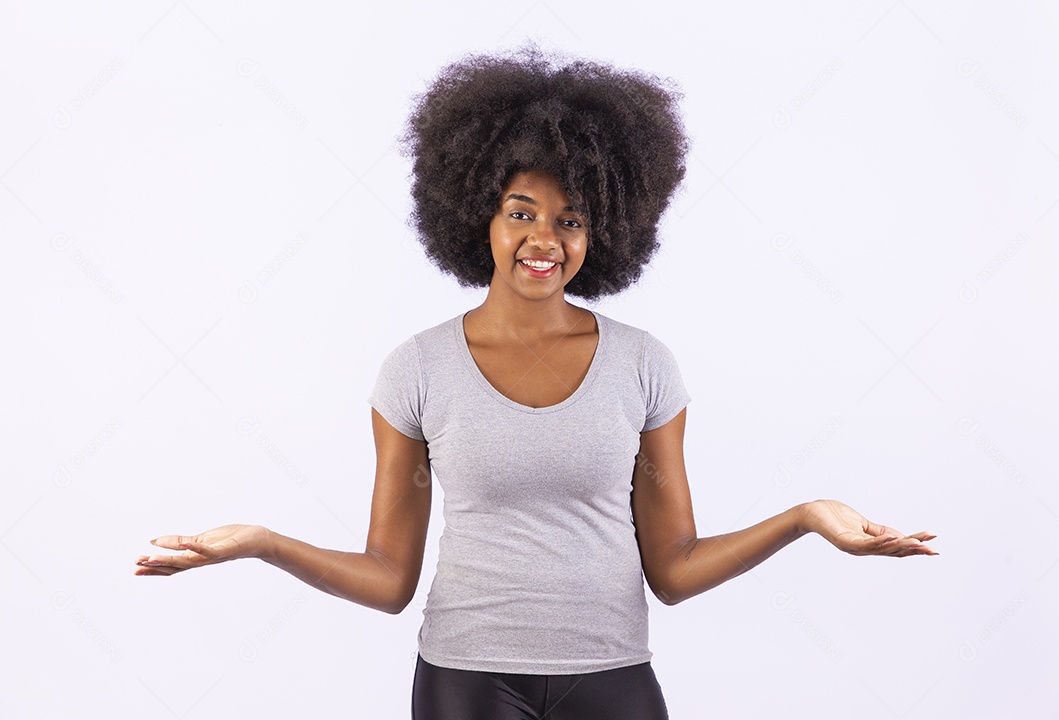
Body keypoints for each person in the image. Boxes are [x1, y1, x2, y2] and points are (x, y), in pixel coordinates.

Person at [134, 46, 938, 720]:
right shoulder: (416, 369)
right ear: (479, 214)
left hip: (613, 678)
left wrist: (804, 519)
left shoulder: (644, 364)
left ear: (606, 231)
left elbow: (676, 569)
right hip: (467, 684)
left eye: (571, 219)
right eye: (522, 212)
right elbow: (387, 578)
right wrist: (261, 544)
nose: (543, 239)